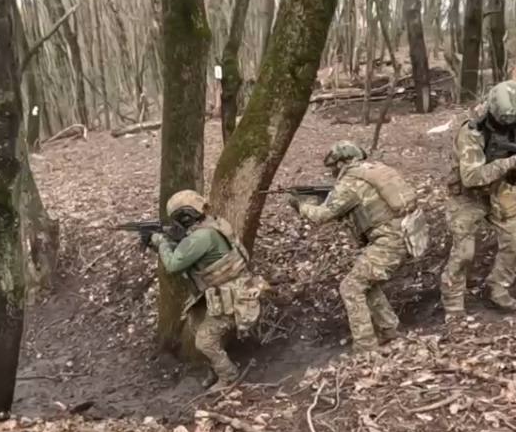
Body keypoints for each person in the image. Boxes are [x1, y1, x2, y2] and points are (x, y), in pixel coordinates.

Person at [289, 141, 421, 354]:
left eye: (333, 166)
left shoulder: (350, 182)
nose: (332, 172)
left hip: (389, 240)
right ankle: (389, 329)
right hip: (404, 234)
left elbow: (322, 216)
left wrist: (300, 205)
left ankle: (365, 348)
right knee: (366, 283)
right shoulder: (372, 171)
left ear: (342, 162)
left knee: (350, 287)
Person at [440, 80, 516, 320]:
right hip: (467, 196)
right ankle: (453, 305)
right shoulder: (471, 131)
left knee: (515, 243)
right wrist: (515, 161)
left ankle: (497, 287)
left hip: (500, 189)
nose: (508, 125)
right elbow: (472, 178)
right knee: (464, 253)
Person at [150, 190, 266, 388]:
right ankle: (216, 369)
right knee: (196, 324)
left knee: (204, 341)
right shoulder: (212, 225)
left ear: (184, 217)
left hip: (233, 297)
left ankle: (229, 376)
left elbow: (173, 265)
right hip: (229, 290)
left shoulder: (201, 237)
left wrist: (161, 243)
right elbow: (189, 249)